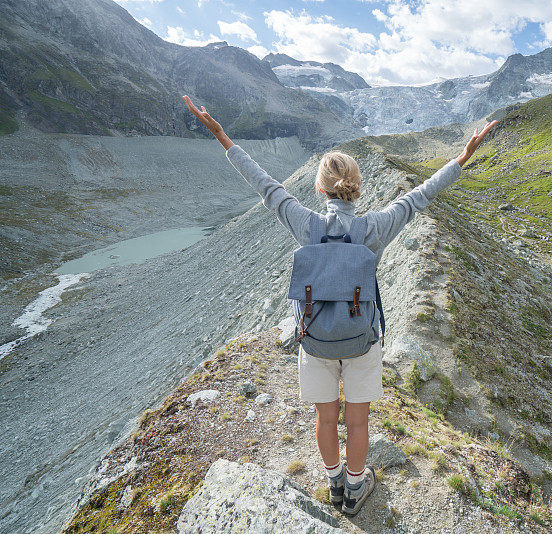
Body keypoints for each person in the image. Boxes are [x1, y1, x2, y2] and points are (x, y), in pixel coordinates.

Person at [182, 95, 497, 516]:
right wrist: (462, 157)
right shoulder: (373, 228)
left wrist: (222, 136)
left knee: (326, 419)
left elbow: (266, 186)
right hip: (361, 339)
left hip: (314, 341)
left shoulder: (307, 224)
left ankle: (332, 483)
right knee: (359, 421)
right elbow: (419, 196)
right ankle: (354, 488)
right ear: (357, 188)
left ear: (319, 188)